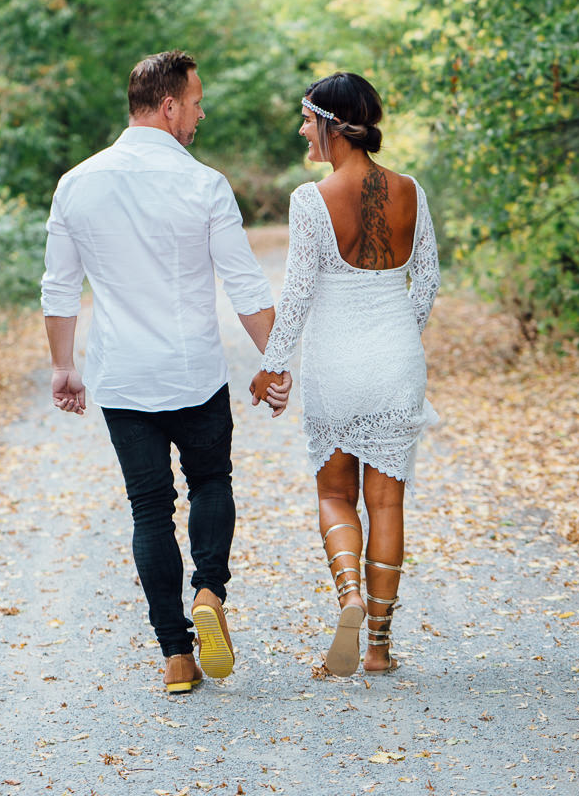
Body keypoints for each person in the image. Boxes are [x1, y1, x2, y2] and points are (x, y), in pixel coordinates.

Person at [40, 50, 292, 694]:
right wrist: (275, 360)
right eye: (197, 100)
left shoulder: (76, 183)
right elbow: (244, 284)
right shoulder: (203, 184)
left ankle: (177, 657)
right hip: (194, 375)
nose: (202, 112)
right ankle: (210, 589)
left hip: (123, 379)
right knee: (211, 482)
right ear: (170, 103)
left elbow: (59, 289)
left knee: (149, 510)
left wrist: (64, 368)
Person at [249, 72, 440, 677]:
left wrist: (273, 365)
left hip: (336, 365)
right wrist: (397, 336)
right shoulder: (412, 190)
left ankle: (349, 597)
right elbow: (428, 281)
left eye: (307, 119)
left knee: (335, 494)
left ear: (333, 123)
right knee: (388, 505)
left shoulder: (311, 200)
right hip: (396, 363)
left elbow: (300, 293)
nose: (302, 130)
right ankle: (380, 646)